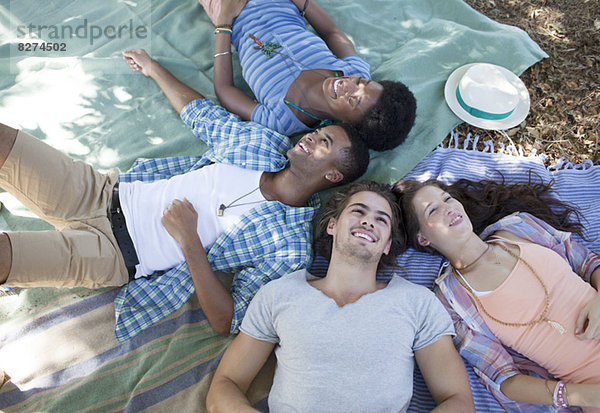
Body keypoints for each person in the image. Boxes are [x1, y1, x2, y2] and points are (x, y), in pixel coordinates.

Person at [0, 49, 370, 343]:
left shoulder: (289, 247)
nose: (310, 138)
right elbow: (202, 115)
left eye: (325, 143)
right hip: (99, 191)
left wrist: (190, 242)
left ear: (333, 175)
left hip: (112, 253)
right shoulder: (261, 143)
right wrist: (152, 67)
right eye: (319, 133)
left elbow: (228, 320)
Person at [206, 180, 475, 412]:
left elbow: (459, 401)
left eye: (382, 220)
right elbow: (225, 385)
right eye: (358, 211)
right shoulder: (279, 294)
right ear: (332, 225)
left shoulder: (417, 303)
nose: (369, 221)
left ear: (387, 245)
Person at [394, 178, 600, 411]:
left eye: (448, 199)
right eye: (433, 210)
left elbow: (589, 262)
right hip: (589, 386)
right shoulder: (452, 302)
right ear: (423, 238)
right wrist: (580, 396)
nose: (448, 208)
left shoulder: (518, 226)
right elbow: (504, 379)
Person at [195, 0, 416, 151]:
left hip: (229, 15)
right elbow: (333, 33)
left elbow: (225, 90)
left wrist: (224, 21)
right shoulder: (353, 69)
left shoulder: (280, 119)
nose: (347, 84)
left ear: (347, 123)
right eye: (362, 82)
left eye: (353, 100)